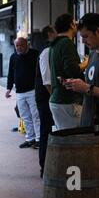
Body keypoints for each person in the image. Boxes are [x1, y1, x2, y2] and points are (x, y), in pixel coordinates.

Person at [49, 14, 88, 130]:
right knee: (74, 140)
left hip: (57, 99)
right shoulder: (66, 43)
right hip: (67, 100)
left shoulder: (54, 45)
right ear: (71, 25)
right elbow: (72, 70)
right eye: (74, 23)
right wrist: (87, 62)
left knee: (64, 139)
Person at [6, 37, 41, 148]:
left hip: (33, 91)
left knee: (36, 116)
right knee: (25, 116)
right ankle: (30, 139)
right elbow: (10, 73)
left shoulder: (35, 54)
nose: (19, 48)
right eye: (17, 46)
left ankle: (39, 139)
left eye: (21, 45)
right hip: (20, 92)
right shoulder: (13, 57)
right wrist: (8, 88)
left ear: (27, 45)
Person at [35, 25, 57, 177]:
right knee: (46, 131)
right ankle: (45, 167)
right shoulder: (47, 51)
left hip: (47, 98)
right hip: (46, 99)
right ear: (50, 34)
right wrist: (54, 100)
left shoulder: (49, 49)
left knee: (48, 131)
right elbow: (47, 81)